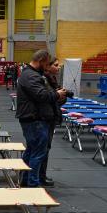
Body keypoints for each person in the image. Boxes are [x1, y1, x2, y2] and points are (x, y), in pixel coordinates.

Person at [15, 50, 67, 188]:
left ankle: (25, 180)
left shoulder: (31, 74)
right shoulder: (31, 76)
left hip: (33, 118)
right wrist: (57, 94)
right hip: (35, 120)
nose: (47, 66)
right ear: (42, 60)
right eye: (46, 63)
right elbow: (41, 95)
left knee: (32, 151)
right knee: (38, 153)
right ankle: (32, 184)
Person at [40, 57, 65, 187]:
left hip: (50, 116)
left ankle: (41, 175)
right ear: (48, 66)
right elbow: (48, 99)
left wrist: (61, 96)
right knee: (43, 149)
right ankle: (40, 177)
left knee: (45, 148)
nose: (59, 67)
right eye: (56, 65)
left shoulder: (52, 80)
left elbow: (57, 100)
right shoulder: (45, 80)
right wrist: (58, 95)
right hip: (46, 117)